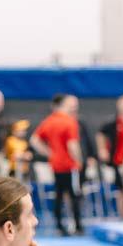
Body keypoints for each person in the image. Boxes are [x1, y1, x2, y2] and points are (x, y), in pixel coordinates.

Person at [30, 94, 83, 236]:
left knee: (59, 194)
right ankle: (78, 226)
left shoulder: (49, 121)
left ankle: (59, 225)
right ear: (63, 105)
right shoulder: (69, 121)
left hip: (56, 165)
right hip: (69, 165)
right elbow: (72, 145)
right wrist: (79, 161)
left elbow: (34, 140)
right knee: (74, 194)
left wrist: (50, 153)